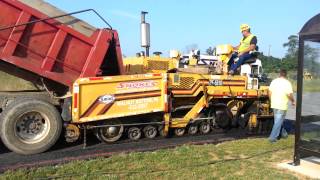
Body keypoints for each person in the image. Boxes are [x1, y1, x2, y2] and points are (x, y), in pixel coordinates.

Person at [268, 69, 295, 143]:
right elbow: (289, 94)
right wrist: (293, 101)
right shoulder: (287, 83)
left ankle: (284, 134)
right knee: (278, 122)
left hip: (274, 104)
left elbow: (269, 92)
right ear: (286, 75)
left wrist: (271, 100)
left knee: (278, 121)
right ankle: (272, 138)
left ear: (279, 74)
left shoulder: (274, 81)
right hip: (282, 105)